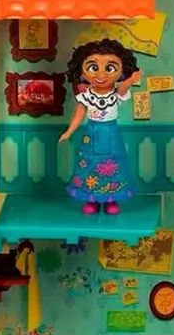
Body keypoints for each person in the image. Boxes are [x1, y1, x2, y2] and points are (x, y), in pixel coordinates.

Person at [59, 39, 141, 214]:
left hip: (111, 134)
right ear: (81, 70)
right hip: (91, 134)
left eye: (110, 68)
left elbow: (123, 89)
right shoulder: (85, 96)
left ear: (121, 70)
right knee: (89, 164)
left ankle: (111, 199)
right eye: (93, 67)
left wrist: (131, 80)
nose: (101, 74)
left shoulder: (116, 94)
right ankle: (92, 199)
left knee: (113, 165)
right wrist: (69, 131)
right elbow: (79, 115)